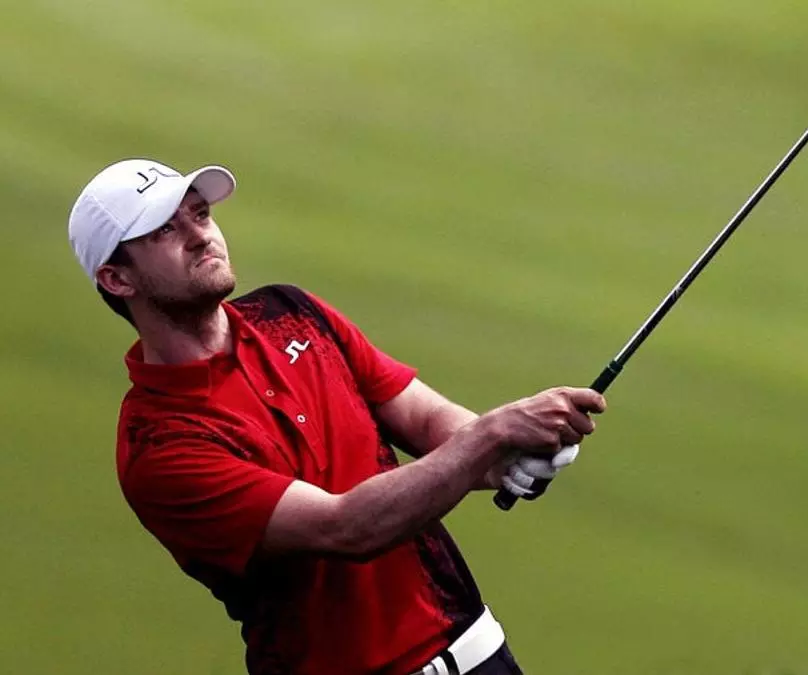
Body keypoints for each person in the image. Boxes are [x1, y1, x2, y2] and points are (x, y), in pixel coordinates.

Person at [66, 158, 606, 675]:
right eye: (164, 230)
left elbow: (426, 421)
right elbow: (347, 527)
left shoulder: (289, 312)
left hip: (480, 654)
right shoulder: (161, 446)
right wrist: (493, 434)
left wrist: (506, 458)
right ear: (117, 279)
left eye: (200, 214)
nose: (200, 236)